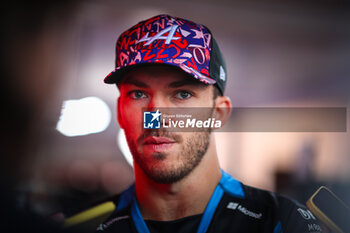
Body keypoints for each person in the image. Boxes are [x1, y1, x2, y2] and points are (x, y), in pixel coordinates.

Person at [97, 14, 323, 233]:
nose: (155, 117)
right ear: (119, 111)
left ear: (219, 113)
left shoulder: (280, 221)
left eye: (183, 94)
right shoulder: (83, 225)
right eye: (138, 94)